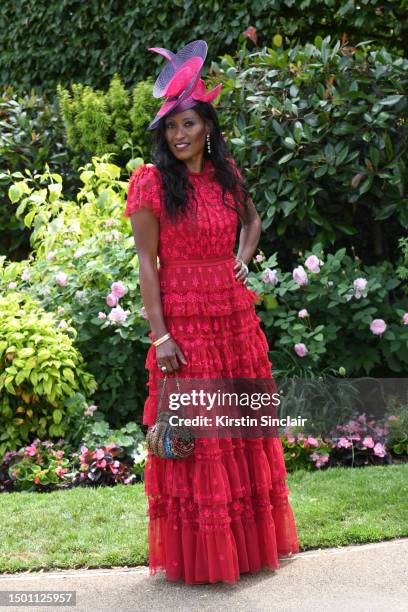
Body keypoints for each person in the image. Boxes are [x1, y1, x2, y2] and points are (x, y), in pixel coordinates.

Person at [124, 40, 299, 585]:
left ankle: (245, 551)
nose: (178, 136)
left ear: (208, 128)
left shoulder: (227, 175)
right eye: (170, 128)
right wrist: (161, 337)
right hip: (184, 324)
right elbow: (147, 266)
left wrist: (242, 261)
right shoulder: (151, 184)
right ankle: (199, 555)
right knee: (196, 436)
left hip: (232, 319)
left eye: (189, 125)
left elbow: (252, 221)